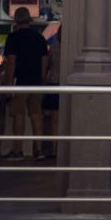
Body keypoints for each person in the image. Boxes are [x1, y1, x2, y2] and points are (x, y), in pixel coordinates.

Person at [2, 7, 48, 160]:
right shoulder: (39, 38)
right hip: (35, 81)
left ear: (16, 21)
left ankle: (18, 151)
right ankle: (39, 150)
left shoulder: (13, 38)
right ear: (30, 20)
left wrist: (8, 83)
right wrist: (41, 78)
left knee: (19, 115)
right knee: (36, 115)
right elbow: (44, 60)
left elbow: (11, 62)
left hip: (19, 81)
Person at [42, 25, 61, 158]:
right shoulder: (74, 51)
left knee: (54, 119)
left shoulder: (53, 49)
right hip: (69, 86)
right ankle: (63, 146)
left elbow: (45, 68)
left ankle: (54, 148)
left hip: (54, 84)